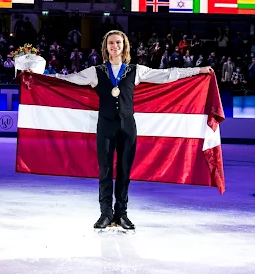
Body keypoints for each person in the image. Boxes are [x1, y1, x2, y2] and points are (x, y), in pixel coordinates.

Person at [50, 30, 212, 232]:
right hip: (106, 126)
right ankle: (105, 213)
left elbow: (168, 74)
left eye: (118, 42)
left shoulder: (136, 70)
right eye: (111, 43)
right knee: (106, 171)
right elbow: (67, 79)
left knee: (125, 171)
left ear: (124, 46)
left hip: (128, 126)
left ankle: (122, 213)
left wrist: (197, 71)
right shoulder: (96, 71)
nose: (114, 46)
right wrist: (39, 75)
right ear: (106, 46)